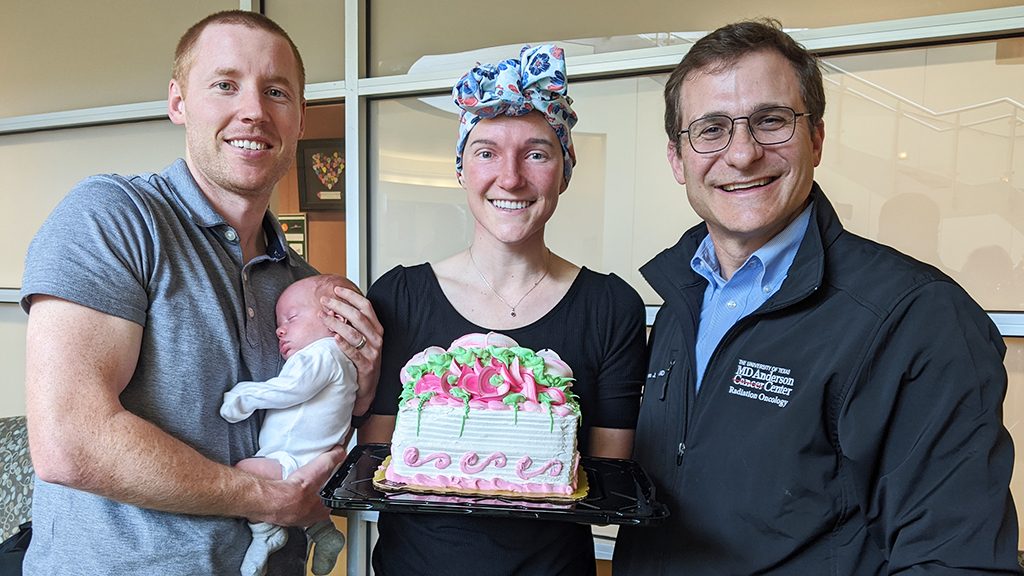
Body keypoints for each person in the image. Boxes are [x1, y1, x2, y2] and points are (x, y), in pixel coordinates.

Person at [613, 18, 1019, 575]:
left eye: (771, 122)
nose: (741, 154)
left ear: (817, 139)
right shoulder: (681, 297)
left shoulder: (917, 317)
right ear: (677, 159)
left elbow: (953, 560)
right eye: (710, 129)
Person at [20, 11, 382, 576]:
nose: (254, 111)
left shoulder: (304, 288)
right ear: (178, 102)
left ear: (300, 118)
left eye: (277, 91)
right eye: (225, 84)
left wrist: (362, 381)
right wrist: (265, 498)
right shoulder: (115, 218)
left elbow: (320, 433)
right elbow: (72, 442)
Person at [357, 45, 647, 576]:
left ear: (565, 170)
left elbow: (608, 474)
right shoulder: (399, 296)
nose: (510, 178)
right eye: (487, 152)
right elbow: (381, 458)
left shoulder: (612, 307)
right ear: (461, 169)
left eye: (537, 153)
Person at [220, 274, 361, 576]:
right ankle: (324, 533)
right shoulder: (343, 361)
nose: (279, 330)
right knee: (303, 503)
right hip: (315, 462)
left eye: (292, 318)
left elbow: (289, 389)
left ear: (335, 318)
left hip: (293, 459)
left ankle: (265, 535)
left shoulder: (321, 354)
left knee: (246, 472)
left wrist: (243, 397)